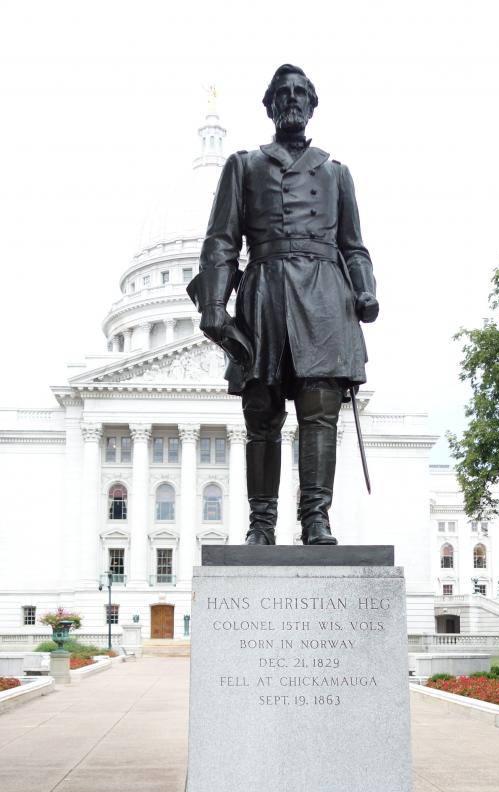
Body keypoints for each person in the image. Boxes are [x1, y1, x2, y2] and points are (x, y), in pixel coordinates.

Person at [188, 64, 378, 545]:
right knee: (263, 413)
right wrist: (214, 304)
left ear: (312, 105)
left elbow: (354, 245)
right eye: (282, 94)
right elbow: (222, 241)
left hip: (324, 296)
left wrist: (365, 287)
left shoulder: (336, 172)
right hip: (266, 292)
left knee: (319, 411)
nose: (292, 100)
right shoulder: (244, 165)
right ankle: (262, 523)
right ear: (270, 106)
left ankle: (316, 517)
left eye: (300, 94)